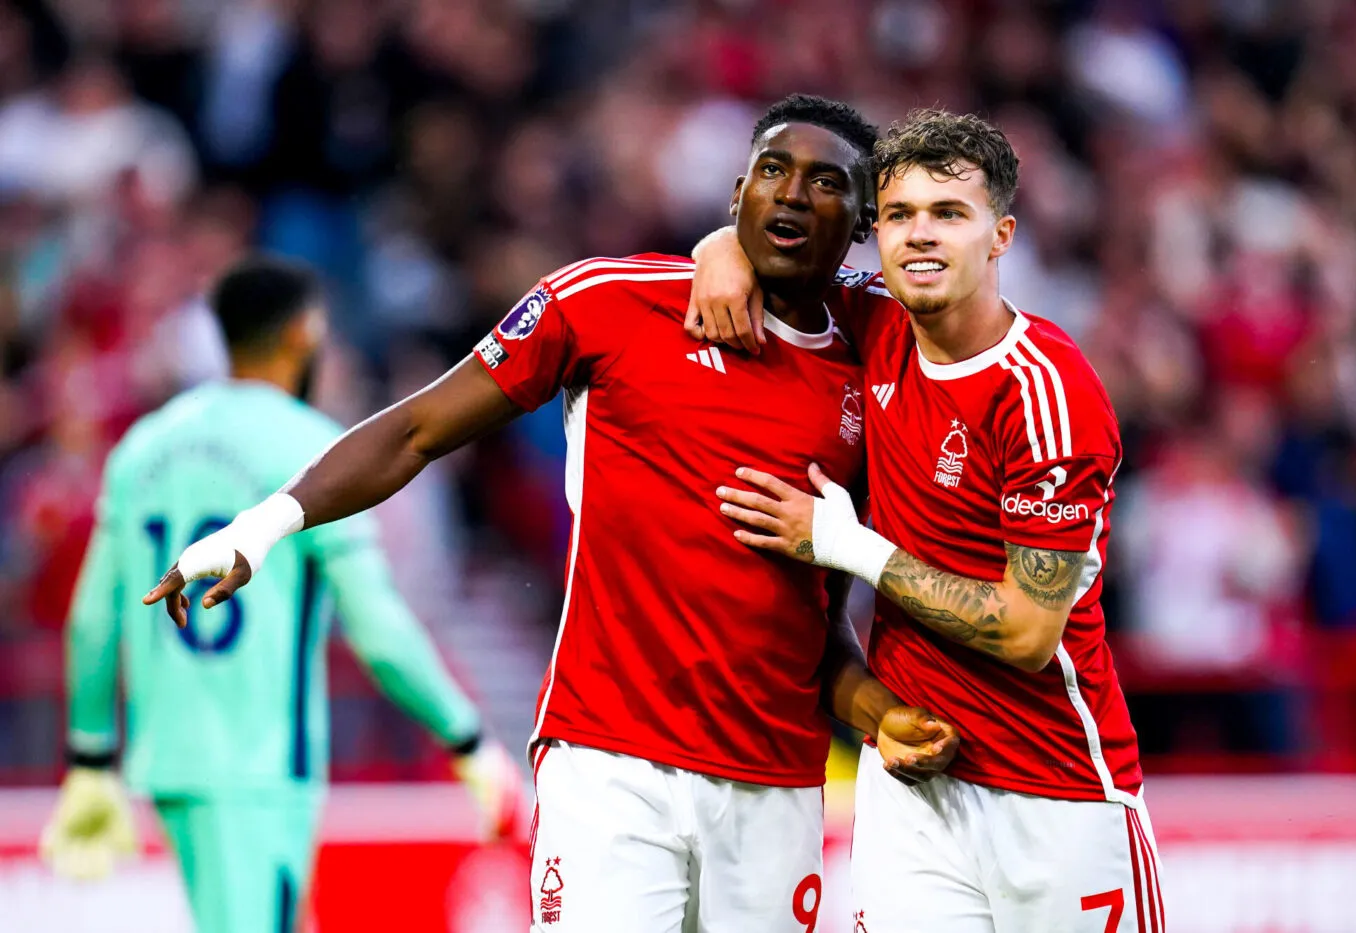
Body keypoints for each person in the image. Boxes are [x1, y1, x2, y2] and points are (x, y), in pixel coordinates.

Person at [143, 95, 961, 933]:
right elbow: (418, 428)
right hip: (610, 764)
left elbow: (812, 618)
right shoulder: (607, 302)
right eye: (772, 171)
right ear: (735, 193)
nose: (790, 193)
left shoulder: (879, 357)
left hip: (775, 784)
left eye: (825, 182)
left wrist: (878, 714)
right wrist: (263, 525)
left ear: (863, 221)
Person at [691, 109, 1164, 932]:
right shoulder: (876, 318)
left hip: (1055, 793)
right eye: (900, 214)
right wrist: (719, 248)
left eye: (949, 213)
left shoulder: (1045, 395)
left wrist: (848, 547)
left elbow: (1027, 632)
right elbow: (769, 245)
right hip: (911, 789)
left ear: (1001, 235)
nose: (921, 235)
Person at [41, 257, 515, 933]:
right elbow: (377, 627)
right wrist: (466, 738)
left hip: (169, 757)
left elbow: (93, 617)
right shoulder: (315, 452)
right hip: (257, 767)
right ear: (304, 333)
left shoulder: (143, 447)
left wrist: (90, 754)